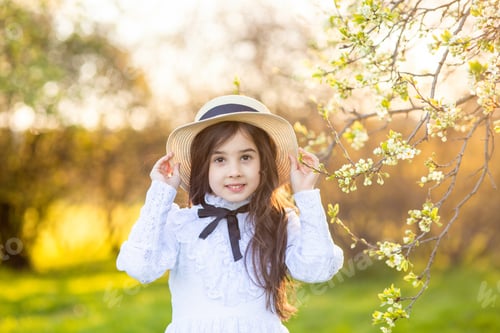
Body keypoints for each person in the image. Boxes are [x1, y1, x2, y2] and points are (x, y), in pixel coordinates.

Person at [116, 95, 344, 332]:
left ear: (263, 163)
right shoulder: (181, 224)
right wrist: (161, 193)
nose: (234, 171)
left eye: (246, 157)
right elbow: (141, 267)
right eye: (220, 159)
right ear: (203, 167)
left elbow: (317, 268)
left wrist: (305, 194)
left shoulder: (280, 220)